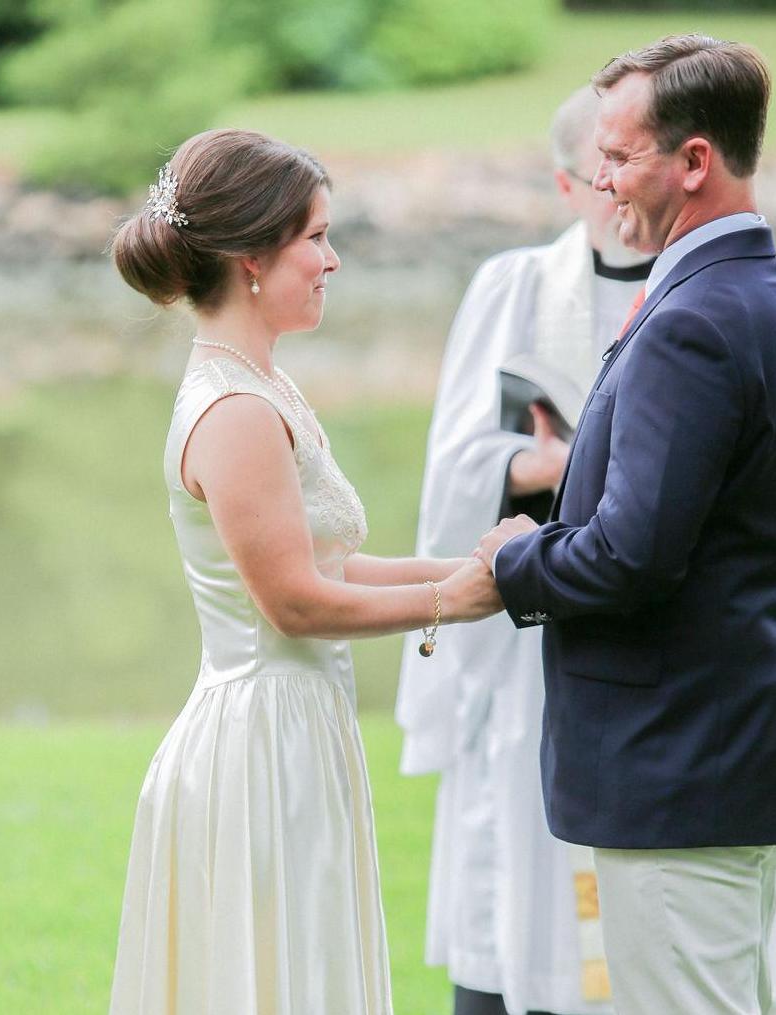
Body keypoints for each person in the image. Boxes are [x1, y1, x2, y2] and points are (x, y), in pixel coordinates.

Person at [470, 35, 776, 1015]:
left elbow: (630, 553)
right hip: (711, 754)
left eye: (619, 154)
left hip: (679, 761)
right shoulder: (741, 292)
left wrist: (519, 560)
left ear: (693, 161)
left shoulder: (695, 319)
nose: (600, 180)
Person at [106, 129, 500, 1015]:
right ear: (252, 256)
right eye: (316, 237)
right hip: (259, 746)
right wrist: (450, 600)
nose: (333, 260)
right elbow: (290, 601)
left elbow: (331, 558)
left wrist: (483, 567)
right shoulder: (236, 408)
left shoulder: (262, 383)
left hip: (300, 728)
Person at [395, 87, 653, 1015]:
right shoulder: (514, 286)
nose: (618, 185)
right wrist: (534, 460)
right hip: (526, 642)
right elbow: (456, 459)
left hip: (655, 636)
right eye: (600, 166)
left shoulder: (705, 286)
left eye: (637, 158)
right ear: (565, 180)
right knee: (515, 869)